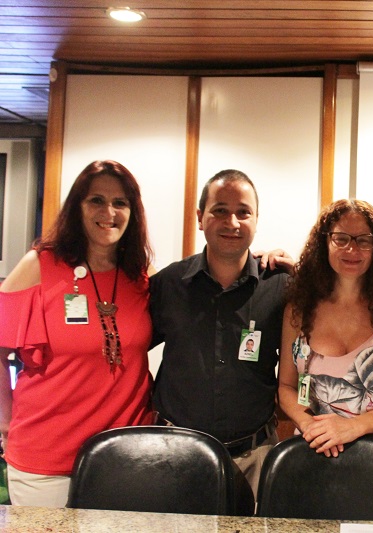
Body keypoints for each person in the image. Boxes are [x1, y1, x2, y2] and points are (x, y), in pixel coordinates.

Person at [0, 160, 153, 507]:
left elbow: (196, 287)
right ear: (77, 207)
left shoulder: (140, 276)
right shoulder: (40, 265)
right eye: (96, 200)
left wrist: (267, 259)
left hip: (123, 458)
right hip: (46, 460)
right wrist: (5, 421)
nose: (108, 212)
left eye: (120, 203)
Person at [149, 169, 288, 503]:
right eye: (220, 210)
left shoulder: (281, 287)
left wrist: (301, 268)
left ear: (257, 220)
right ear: (200, 218)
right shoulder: (169, 284)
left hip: (254, 458)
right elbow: (127, 348)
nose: (232, 222)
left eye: (244, 212)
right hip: (174, 455)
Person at [278, 199, 373, 457]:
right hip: (316, 449)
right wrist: (310, 425)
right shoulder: (299, 309)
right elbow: (286, 387)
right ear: (324, 242)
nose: (352, 249)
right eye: (341, 239)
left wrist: (352, 427)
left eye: (363, 240)